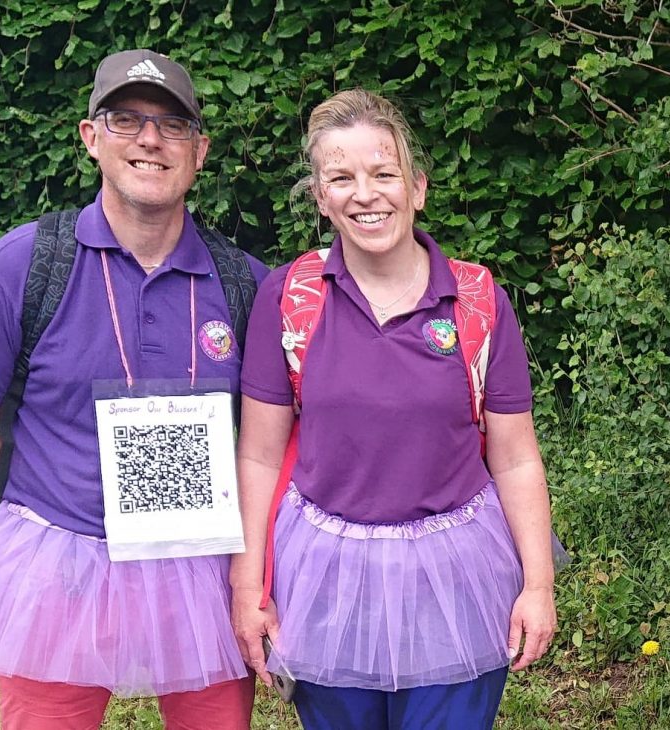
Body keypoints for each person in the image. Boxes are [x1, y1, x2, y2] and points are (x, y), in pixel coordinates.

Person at [0, 49, 265, 729]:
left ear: (200, 151)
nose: (150, 140)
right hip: (60, 567)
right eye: (126, 120)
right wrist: (55, 510)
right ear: (90, 137)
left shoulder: (247, 284)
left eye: (172, 125)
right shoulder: (20, 267)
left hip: (200, 569)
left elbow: (267, 443)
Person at [227, 89, 558, 730]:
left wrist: (538, 585)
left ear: (418, 188)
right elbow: (260, 456)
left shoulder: (476, 300)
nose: (365, 194)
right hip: (326, 577)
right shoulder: (290, 297)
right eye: (341, 178)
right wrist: (248, 588)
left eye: (384, 173)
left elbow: (516, 458)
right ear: (320, 198)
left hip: (456, 575)